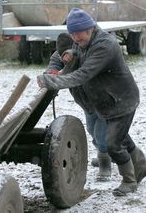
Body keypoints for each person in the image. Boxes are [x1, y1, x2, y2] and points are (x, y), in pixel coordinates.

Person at [37, 8, 146, 196]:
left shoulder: (105, 45)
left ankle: (129, 180)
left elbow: (83, 74)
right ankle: (142, 165)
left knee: (113, 143)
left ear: (90, 28)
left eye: (79, 33)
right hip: (102, 100)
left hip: (121, 100)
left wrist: (53, 81)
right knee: (120, 136)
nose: (75, 38)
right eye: (72, 33)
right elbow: (57, 57)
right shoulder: (78, 40)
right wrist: (52, 70)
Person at [45, 32, 111, 182]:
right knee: (92, 129)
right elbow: (52, 68)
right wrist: (52, 75)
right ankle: (111, 151)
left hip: (103, 98)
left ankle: (105, 161)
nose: (66, 56)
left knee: (102, 133)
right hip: (85, 101)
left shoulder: (90, 52)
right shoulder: (59, 55)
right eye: (63, 54)